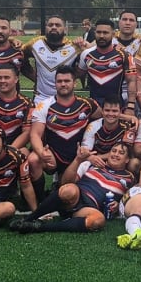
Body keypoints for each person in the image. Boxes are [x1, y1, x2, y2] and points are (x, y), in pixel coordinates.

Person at [11, 143, 135, 233]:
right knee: (69, 189)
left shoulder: (130, 178)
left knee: (98, 220)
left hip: (90, 207)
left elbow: (130, 200)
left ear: (127, 159)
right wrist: (78, 160)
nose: (115, 154)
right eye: (114, 151)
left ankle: (38, 227)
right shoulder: (92, 165)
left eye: (121, 153)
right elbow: (65, 182)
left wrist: (118, 205)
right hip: (76, 196)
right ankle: (28, 219)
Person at [28, 66, 101, 198]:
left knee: (68, 192)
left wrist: (128, 117)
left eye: (67, 81)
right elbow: (35, 134)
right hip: (54, 155)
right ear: (55, 83)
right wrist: (41, 153)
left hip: (78, 155)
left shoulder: (88, 104)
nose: (63, 84)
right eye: (59, 81)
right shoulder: (44, 105)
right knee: (33, 159)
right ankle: (40, 198)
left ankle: (62, 186)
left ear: (75, 83)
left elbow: (107, 117)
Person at [78, 18, 138, 110]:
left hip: (116, 107)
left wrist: (130, 107)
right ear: (95, 33)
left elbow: (132, 81)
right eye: (99, 32)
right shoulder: (86, 54)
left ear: (113, 35)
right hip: (94, 108)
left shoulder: (124, 55)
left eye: (105, 33)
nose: (101, 36)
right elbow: (77, 75)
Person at [22, 15, 81, 103]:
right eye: (50, 25)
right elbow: (20, 55)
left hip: (64, 99)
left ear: (64, 29)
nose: (53, 27)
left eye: (58, 25)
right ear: (46, 28)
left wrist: (72, 78)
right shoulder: (35, 43)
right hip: (40, 98)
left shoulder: (74, 48)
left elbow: (84, 67)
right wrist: (33, 76)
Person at [81, 95, 139, 167]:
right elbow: (85, 152)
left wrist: (98, 157)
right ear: (102, 111)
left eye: (114, 111)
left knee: (134, 163)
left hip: (118, 161)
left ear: (120, 112)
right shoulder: (93, 126)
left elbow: (124, 153)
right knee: (84, 163)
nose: (110, 114)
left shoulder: (128, 126)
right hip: (96, 162)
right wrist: (91, 158)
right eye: (107, 110)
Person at [114, 9, 141, 108]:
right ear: (119, 22)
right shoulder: (109, 40)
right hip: (114, 92)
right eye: (124, 19)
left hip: (138, 92)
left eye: (131, 20)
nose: (127, 23)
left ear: (136, 24)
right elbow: (89, 46)